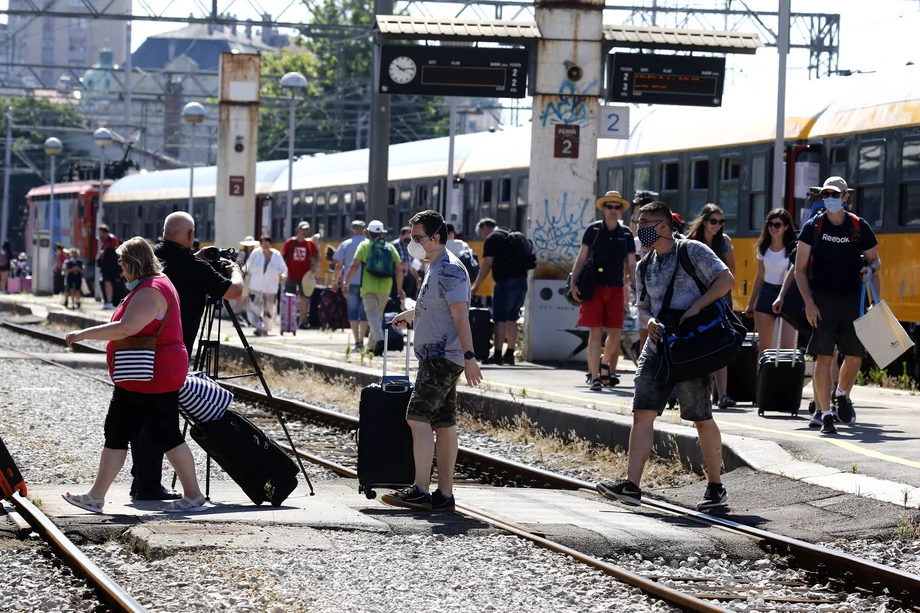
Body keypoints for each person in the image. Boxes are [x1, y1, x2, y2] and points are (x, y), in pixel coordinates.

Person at [596, 201, 734, 510]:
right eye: (637, 222)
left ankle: (716, 486)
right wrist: (648, 321)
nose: (638, 227)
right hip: (658, 345)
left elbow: (726, 280)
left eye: (644, 222)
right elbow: (642, 306)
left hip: (690, 345)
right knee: (642, 411)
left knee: (700, 416)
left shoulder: (693, 250)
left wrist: (696, 308)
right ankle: (631, 486)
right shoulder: (645, 264)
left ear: (662, 226)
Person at [61, 237, 207, 514]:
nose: (120, 269)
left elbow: (126, 328)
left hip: (153, 375)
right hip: (137, 376)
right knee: (115, 433)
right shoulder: (148, 286)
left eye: (122, 263)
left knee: (167, 435)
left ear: (132, 263)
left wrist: (83, 334)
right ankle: (96, 496)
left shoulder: (151, 290)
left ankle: (194, 496)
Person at [130, 211, 242, 501]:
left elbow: (169, 267)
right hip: (169, 351)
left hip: (134, 345)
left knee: (137, 413)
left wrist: (199, 261)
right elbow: (234, 292)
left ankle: (141, 480)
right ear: (191, 236)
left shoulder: (148, 257)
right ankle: (149, 485)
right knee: (160, 414)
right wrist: (235, 269)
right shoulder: (193, 266)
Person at [381, 209, 483, 511]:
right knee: (444, 423)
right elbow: (438, 309)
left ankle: (421, 489)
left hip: (442, 356)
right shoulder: (436, 266)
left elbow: (460, 315)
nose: (415, 243)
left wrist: (470, 357)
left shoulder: (449, 268)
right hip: (440, 354)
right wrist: (410, 316)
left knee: (417, 417)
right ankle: (444, 494)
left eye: (419, 237)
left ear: (437, 237)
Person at [794, 176, 880, 434]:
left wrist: (869, 268)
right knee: (823, 355)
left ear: (845, 197)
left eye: (835, 194)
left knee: (854, 357)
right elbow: (799, 269)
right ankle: (826, 414)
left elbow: (876, 261)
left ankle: (841, 394)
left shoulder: (858, 226)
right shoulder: (814, 226)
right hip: (822, 299)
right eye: (826, 194)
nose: (830, 198)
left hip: (853, 299)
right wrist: (809, 303)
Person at [570, 191, 637, 391]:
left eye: (617, 207)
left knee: (616, 333)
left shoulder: (625, 233)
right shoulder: (593, 230)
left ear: (621, 210)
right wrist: (573, 283)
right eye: (610, 206)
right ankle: (595, 377)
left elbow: (632, 263)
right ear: (603, 209)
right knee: (596, 332)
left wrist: (634, 284)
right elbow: (581, 258)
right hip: (594, 287)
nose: (613, 210)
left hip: (616, 287)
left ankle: (605, 363)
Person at [686, 204, 737, 409]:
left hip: (720, 297)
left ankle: (722, 394)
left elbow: (731, 268)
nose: (717, 226)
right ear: (704, 221)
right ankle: (698, 392)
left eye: (721, 222)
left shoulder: (724, 242)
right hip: (696, 298)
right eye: (713, 221)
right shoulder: (690, 241)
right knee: (697, 345)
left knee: (720, 345)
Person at [470, 218, 528, 366]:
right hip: (522, 282)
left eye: (481, 233)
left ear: (484, 227)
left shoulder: (492, 238)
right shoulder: (511, 235)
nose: (482, 237)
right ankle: (509, 354)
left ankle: (497, 355)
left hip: (505, 283)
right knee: (513, 318)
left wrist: (476, 286)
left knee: (500, 318)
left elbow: (487, 264)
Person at [344, 220, 404, 356]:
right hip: (385, 287)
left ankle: (380, 339)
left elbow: (354, 266)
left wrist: (345, 282)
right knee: (378, 317)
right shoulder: (389, 247)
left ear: (368, 233)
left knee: (371, 315)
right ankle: (371, 348)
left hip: (368, 287)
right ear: (382, 233)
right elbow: (399, 268)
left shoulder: (364, 246)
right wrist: (399, 288)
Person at [744, 209, 797, 360]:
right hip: (766, 293)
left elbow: (796, 274)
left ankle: (784, 383)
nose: (773, 228)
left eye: (777, 225)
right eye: (770, 224)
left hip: (787, 295)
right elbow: (760, 276)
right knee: (764, 349)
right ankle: (761, 382)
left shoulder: (793, 248)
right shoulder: (763, 247)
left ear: (786, 227)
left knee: (787, 349)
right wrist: (751, 303)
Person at [333, 220, 369, 351]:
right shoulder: (369, 244)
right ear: (364, 230)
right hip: (367, 283)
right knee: (364, 313)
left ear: (352, 231)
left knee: (353, 312)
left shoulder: (346, 244)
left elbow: (338, 265)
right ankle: (362, 340)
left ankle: (357, 341)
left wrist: (336, 282)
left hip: (350, 283)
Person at [245, 234, 287, 336]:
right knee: (255, 308)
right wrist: (241, 274)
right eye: (263, 244)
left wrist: (283, 275)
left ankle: (265, 328)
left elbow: (283, 268)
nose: (265, 246)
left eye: (267, 244)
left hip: (270, 287)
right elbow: (247, 265)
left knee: (269, 309)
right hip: (256, 286)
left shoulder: (276, 255)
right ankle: (259, 327)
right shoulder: (255, 253)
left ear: (271, 244)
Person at [281, 222, 320, 329]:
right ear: (298, 230)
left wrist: (314, 266)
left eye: (307, 230)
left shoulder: (309, 243)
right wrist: (284, 271)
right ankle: (289, 319)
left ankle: (302, 320)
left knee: (304, 297)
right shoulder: (290, 242)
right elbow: (282, 256)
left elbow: (316, 256)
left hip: (304, 275)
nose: (305, 232)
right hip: (291, 274)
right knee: (289, 297)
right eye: (303, 229)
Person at [96, 225, 120, 309]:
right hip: (105, 265)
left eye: (101, 232)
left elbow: (117, 250)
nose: (100, 234)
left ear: (104, 232)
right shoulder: (104, 241)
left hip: (111, 265)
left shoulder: (111, 239)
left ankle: (110, 301)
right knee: (106, 282)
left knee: (109, 282)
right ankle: (108, 300)